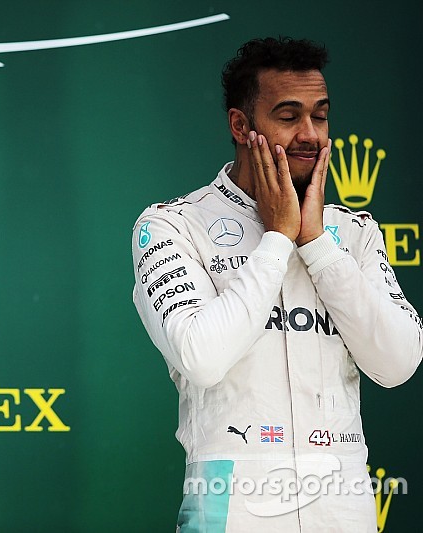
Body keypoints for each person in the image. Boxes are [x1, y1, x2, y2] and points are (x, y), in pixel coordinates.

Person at [132, 37, 422, 531]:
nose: (310, 134)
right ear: (240, 126)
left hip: (344, 500)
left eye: (321, 115)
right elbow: (202, 358)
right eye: (288, 117)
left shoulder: (354, 233)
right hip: (231, 502)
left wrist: (317, 244)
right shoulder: (174, 225)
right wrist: (277, 240)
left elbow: (398, 363)